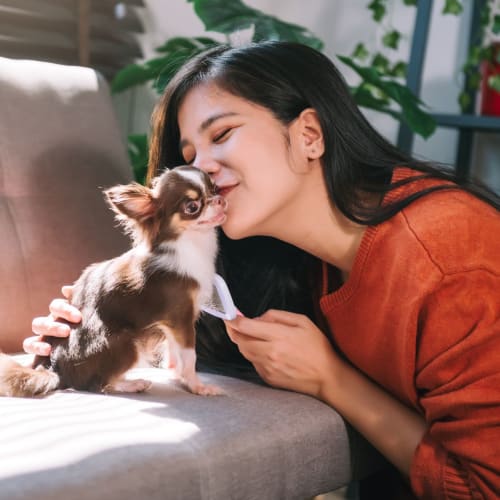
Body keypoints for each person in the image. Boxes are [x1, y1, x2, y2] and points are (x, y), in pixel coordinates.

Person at [25, 41, 500, 499]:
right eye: (190, 157)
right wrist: (93, 330)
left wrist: (330, 378)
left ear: (309, 135)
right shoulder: (297, 258)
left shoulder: (449, 260)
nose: (203, 169)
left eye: (223, 134)